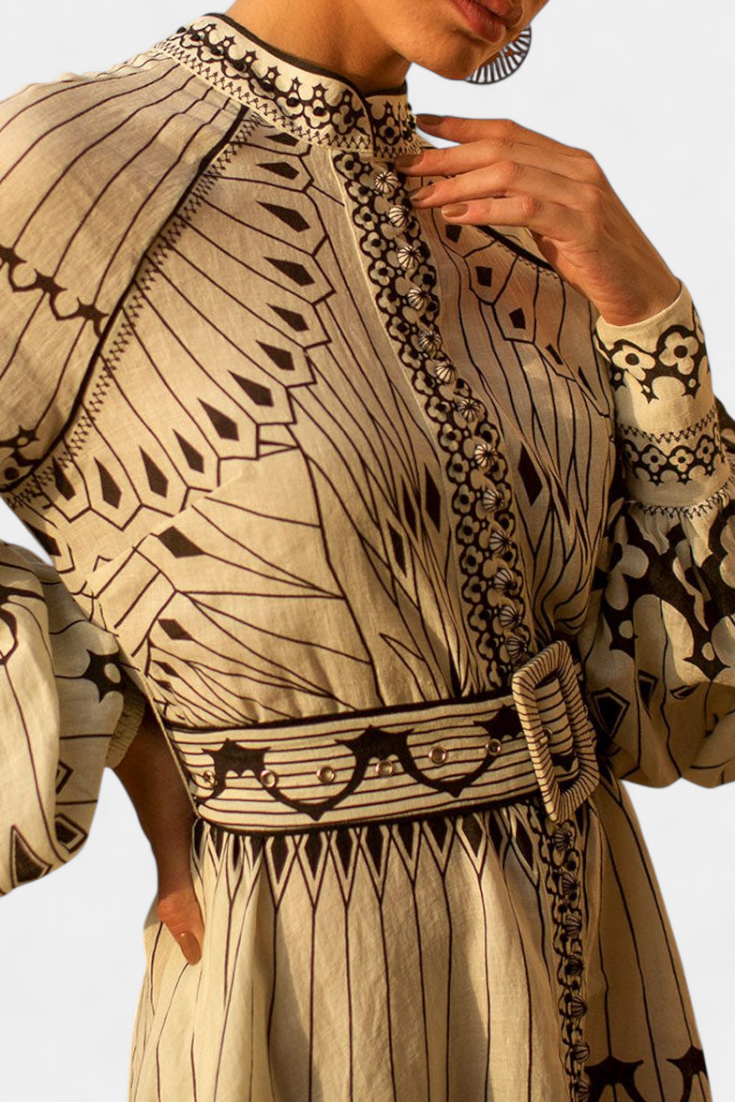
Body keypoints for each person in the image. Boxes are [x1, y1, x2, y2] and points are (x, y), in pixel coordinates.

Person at [0, 0, 732, 1098]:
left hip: (598, 962)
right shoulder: (70, 168)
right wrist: (118, 709)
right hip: (313, 979)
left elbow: (688, 703)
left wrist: (651, 316)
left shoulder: (522, 224)